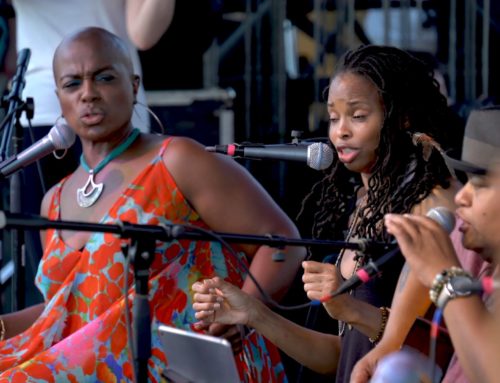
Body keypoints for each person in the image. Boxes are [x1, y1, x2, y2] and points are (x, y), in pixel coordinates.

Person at [0, 27, 305, 382]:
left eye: (104, 77)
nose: (88, 94)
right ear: (58, 98)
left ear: (133, 85)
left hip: (183, 367)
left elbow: (281, 241)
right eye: (72, 84)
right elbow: (67, 314)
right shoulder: (53, 201)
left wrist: (242, 315)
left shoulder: (176, 159)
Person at [192, 44, 463, 382]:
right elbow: (341, 355)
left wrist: (352, 309)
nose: (340, 132)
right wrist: (253, 314)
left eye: (358, 116)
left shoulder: (436, 204)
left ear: (401, 117)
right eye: (334, 117)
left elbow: (451, 345)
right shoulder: (364, 204)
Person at [3, 0, 176, 307]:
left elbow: (143, 34)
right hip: (42, 106)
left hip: (117, 102)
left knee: (128, 251)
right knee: (50, 264)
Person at [350, 107, 496, 383]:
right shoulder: (481, 248)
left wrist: (445, 276)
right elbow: (425, 255)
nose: (462, 196)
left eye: (481, 184)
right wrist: (389, 342)